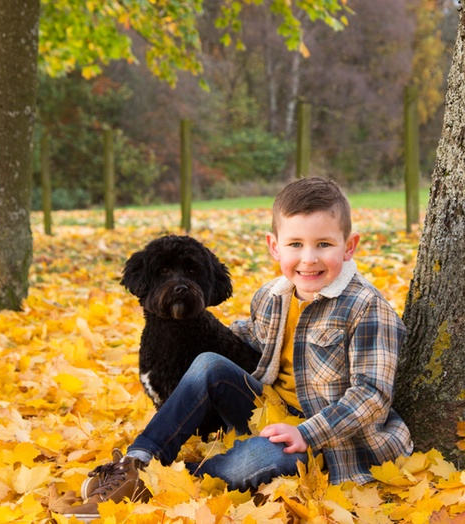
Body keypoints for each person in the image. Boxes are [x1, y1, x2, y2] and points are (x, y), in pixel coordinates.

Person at [62, 177, 413, 518]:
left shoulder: (367, 307)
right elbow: (249, 337)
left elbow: (371, 395)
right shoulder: (273, 297)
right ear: (275, 246)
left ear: (348, 246)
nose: (308, 259)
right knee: (208, 363)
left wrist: (305, 432)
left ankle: (168, 480)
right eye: (295, 245)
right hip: (269, 412)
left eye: (323, 244)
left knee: (268, 458)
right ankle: (137, 462)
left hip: (330, 444)